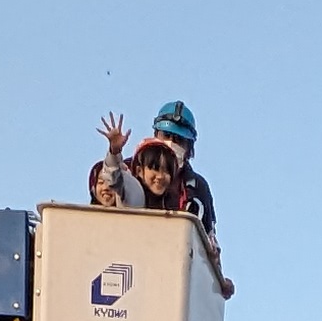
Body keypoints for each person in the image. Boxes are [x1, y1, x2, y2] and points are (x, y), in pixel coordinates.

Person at [88, 100, 233, 295]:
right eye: (167, 135)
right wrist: (114, 152)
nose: (172, 142)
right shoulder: (131, 171)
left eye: (179, 139)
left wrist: (219, 280)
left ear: (189, 147)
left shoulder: (197, 188)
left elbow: (210, 239)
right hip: (121, 260)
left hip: (171, 274)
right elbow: (111, 180)